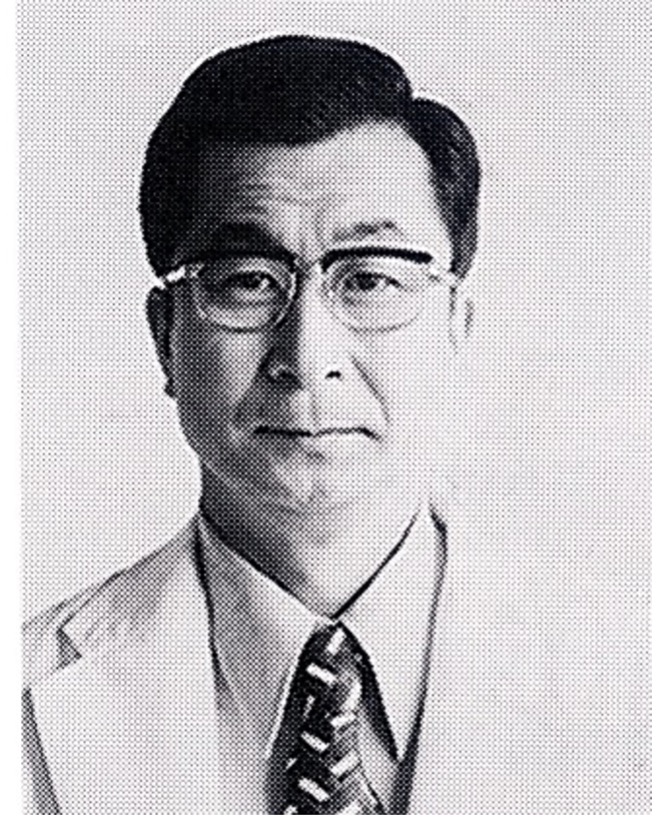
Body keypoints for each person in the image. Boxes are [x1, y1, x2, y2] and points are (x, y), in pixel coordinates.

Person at [22, 35, 644, 815]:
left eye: (371, 280)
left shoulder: (632, 688)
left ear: (455, 325)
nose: (308, 356)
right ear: (165, 336)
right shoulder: (21, 698)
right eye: (248, 281)